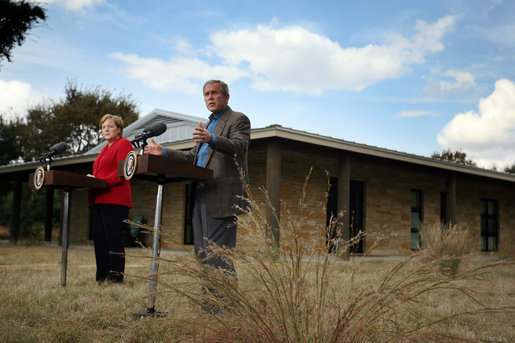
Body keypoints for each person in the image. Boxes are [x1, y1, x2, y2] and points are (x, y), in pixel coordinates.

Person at [144, 80, 251, 302]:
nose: (210, 97)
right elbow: (192, 157)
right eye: (206, 94)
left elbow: (239, 147)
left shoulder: (238, 119)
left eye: (214, 93)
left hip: (221, 194)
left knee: (218, 253)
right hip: (201, 192)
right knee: (202, 252)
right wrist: (163, 152)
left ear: (226, 97)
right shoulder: (206, 125)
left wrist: (212, 139)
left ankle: (226, 306)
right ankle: (210, 302)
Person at [88, 114, 133, 283]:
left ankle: (115, 278)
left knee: (113, 240)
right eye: (104, 127)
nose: (106, 129)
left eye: (110, 126)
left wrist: (101, 182)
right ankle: (101, 278)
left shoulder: (123, 144)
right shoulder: (104, 149)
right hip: (98, 200)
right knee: (100, 241)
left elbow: (123, 171)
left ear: (119, 129)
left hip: (115, 201)